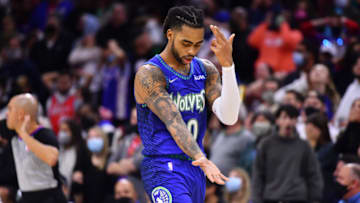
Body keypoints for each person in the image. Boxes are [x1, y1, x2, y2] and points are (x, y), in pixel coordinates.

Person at [134, 6, 240, 203]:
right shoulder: (150, 73)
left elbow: (229, 117)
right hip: (162, 165)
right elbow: (174, 120)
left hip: (195, 166)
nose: (192, 50)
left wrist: (228, 66)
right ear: (170, 34)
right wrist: (204, 158)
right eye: (186, 43)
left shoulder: (205, 69)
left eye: (198, 44)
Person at [0, 93, 66, 203]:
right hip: (26, 197)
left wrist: (23, 133)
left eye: (10, 109)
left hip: (48, 197)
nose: (6, 113)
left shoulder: (44, 134)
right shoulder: (11, 130)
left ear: (20, 114)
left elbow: (52, 158)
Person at [251, 105, 323, 203]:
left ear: (296, 121)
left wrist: (315, 199)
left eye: (292, 118)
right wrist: (256, 199)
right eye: (284, 117)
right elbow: (258, 174)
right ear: (277, 120)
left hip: (297, 198)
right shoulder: (266, 145)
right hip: (271, 197)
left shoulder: (304, 146)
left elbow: (313, 175)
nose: (288, 122)